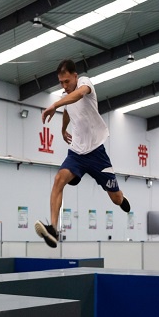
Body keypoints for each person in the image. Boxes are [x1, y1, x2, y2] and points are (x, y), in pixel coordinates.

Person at [35, 59, 130, 248]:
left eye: (67, 81)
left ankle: (121, 197)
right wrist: (63, 129)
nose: (64, 86)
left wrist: (54, 105)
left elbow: (77, 96)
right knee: (58, 180)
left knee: (116, 199)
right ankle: (53, 229)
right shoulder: (66, 95)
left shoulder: (85, 83)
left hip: (97, 153)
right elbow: (68, 110)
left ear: (75, 76)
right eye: (61, 82)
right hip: (77, 153)